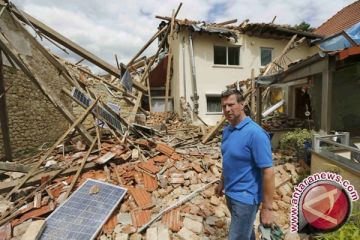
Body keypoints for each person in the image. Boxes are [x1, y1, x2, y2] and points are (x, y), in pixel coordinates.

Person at [215, 88, 275, 240]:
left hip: (246, 199)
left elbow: (268, 171)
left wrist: (267, 208)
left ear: (242, 104)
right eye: (224, 106)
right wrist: (222, 181)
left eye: (231, 104)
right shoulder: (227, 130)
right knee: (247, 235)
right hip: (231, 194)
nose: (227, 109)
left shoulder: (256, 134)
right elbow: (228, 159)